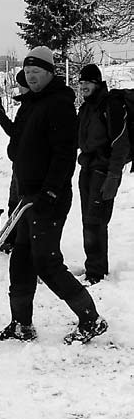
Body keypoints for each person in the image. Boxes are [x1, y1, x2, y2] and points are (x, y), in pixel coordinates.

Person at [0, 46, 107, 345]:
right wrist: (7, 124)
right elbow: (20, 142)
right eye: (27, 73)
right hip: (27, 196)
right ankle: (21, 324)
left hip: (48, 199)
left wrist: (51, 191)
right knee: (21, 260)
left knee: (46, 262)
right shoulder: (31, 103)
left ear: (49, 73)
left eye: (36, 72)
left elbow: (64, 155)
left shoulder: (59, 105)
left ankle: (91, 320)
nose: (30, 77)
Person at [76, 63, 129, 285]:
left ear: (97, 83)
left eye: (87, 82)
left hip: (103, 170)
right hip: (87, 167)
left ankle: (97, 272)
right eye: (81, 83)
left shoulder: (110, 105)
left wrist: (113, 176)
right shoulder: (86, 107)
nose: (83, 86)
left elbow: (121, 143)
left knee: (96, 221)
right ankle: (93, 267)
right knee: (87, 221)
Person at [0, 69, 32, 253]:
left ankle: (21, 240)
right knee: (14, 202)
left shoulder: (33, 108)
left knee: (20, 203)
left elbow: (20, 135)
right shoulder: (25, 107)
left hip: (27, 164)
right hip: (18, 162)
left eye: (20, 85)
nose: (18, 88)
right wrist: (2, 118)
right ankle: (12, 237)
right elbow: (16, 133)